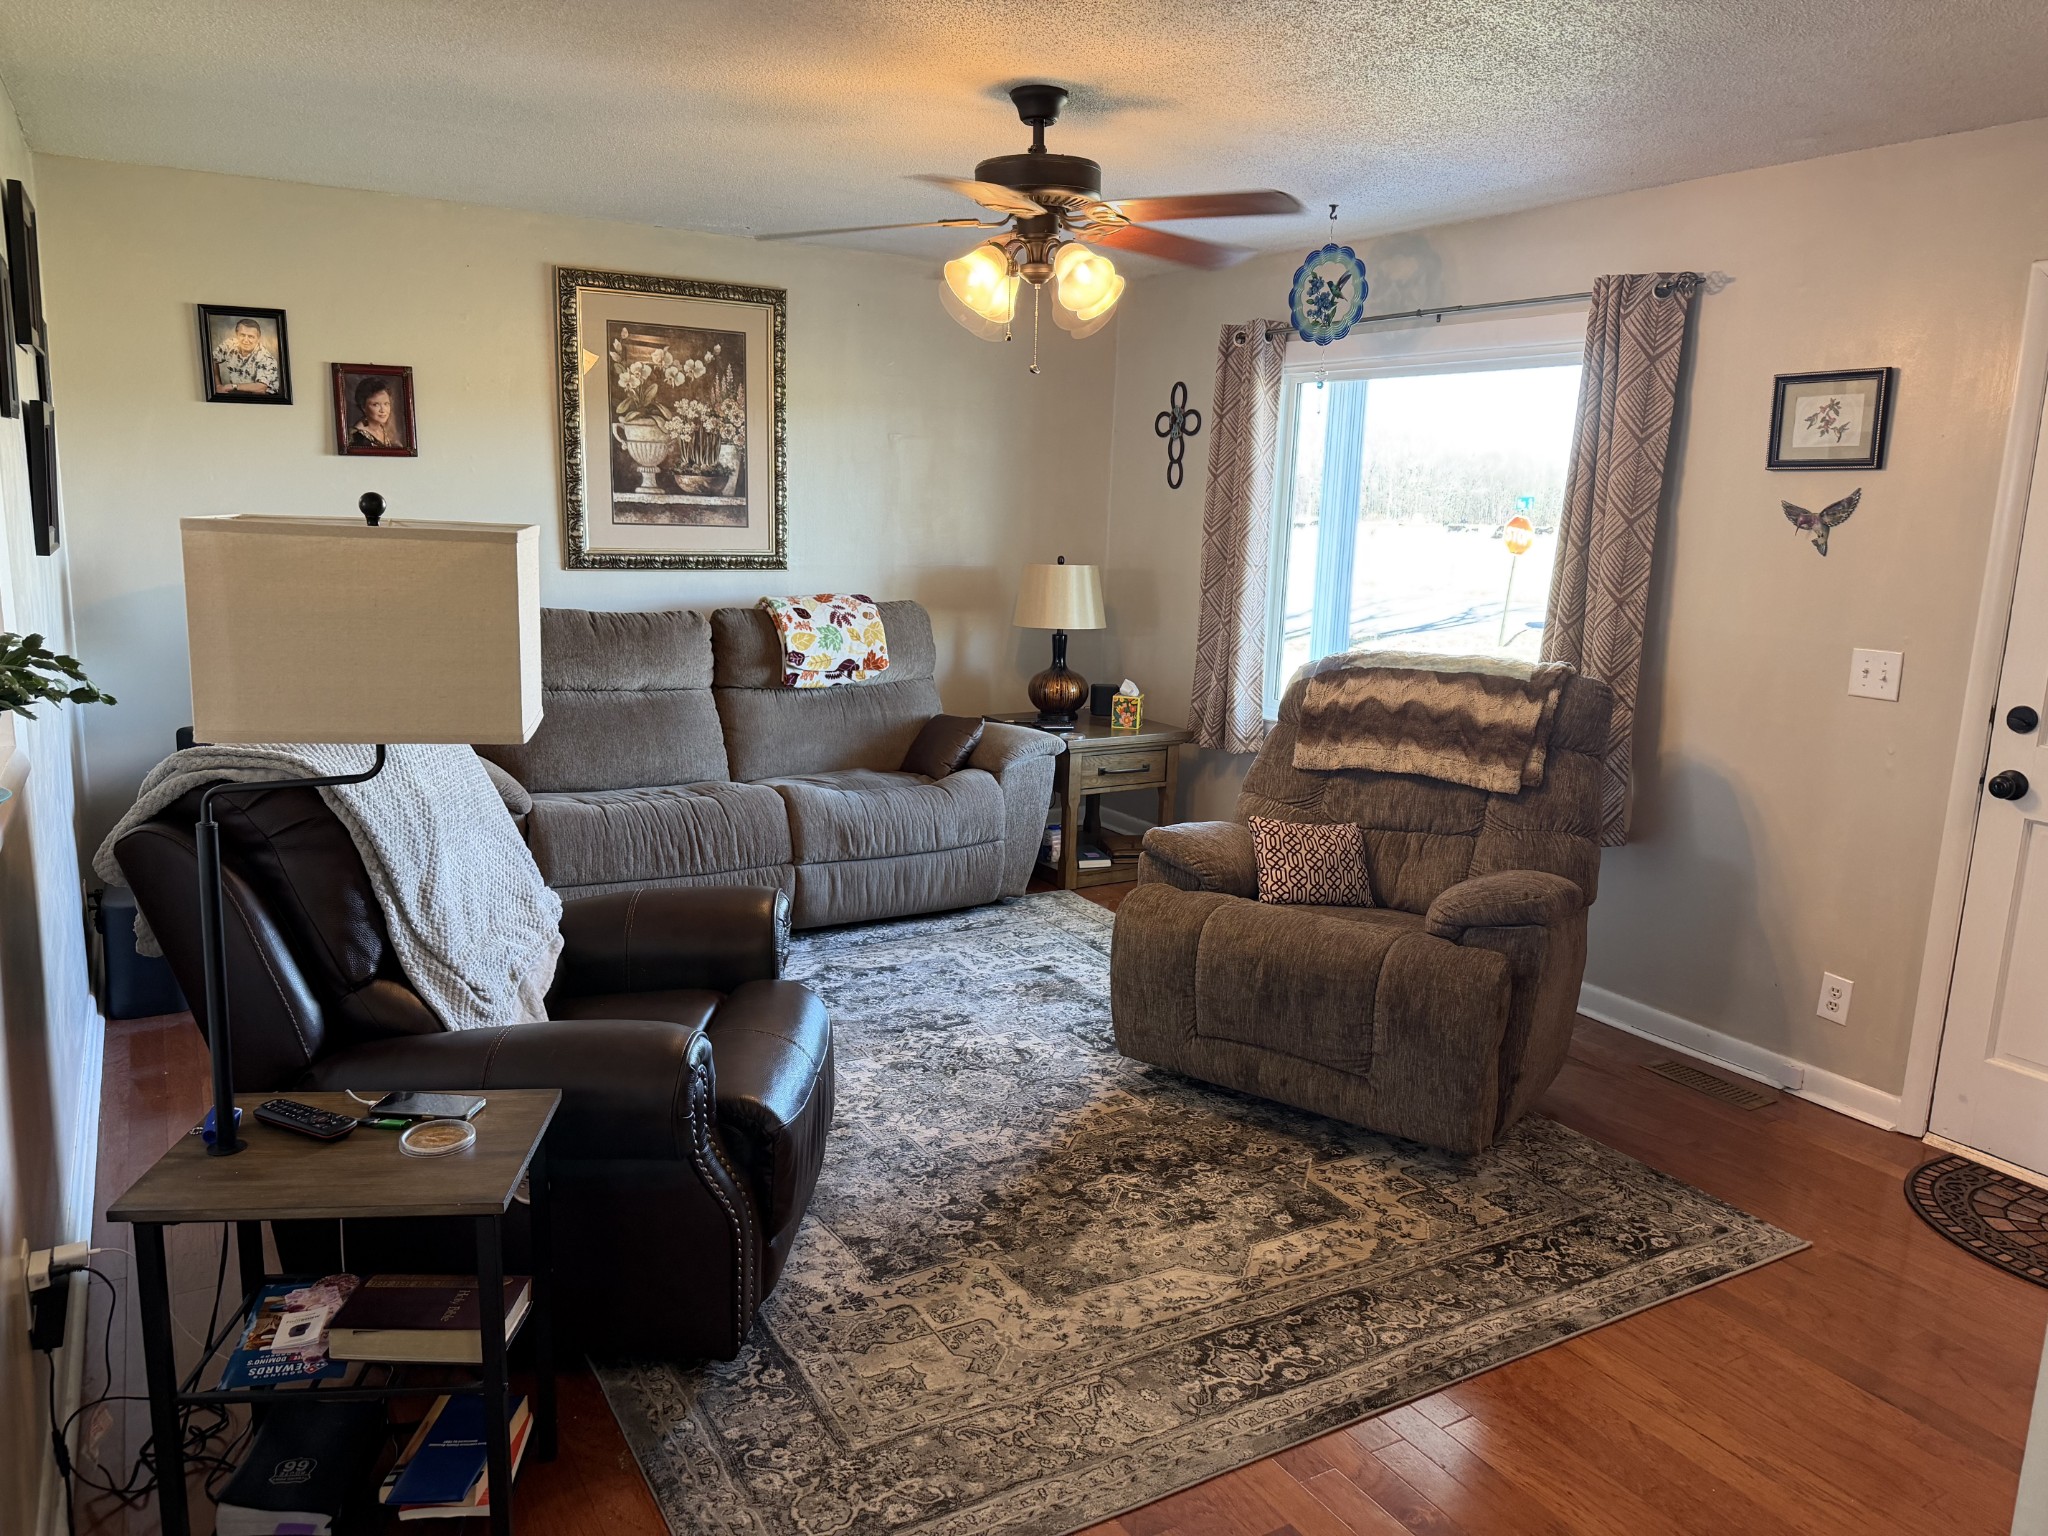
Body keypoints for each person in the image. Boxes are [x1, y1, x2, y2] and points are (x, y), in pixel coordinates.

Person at [211, 317, 280, 395]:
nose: (246, 340)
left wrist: (233, 386)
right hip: (238, 396)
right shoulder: (229, 345)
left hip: (265, 400)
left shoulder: (266, 358)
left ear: (258, 338)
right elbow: (212, 359)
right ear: (237, 334)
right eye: (242, 335)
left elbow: (261, 388)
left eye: (251, 337)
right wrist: (218, 385)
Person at [347, 377, 403, 450]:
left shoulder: (385, 429)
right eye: (376, 404)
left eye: (386, 404)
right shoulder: (357, 437)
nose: (383, 410)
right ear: (363, 407)